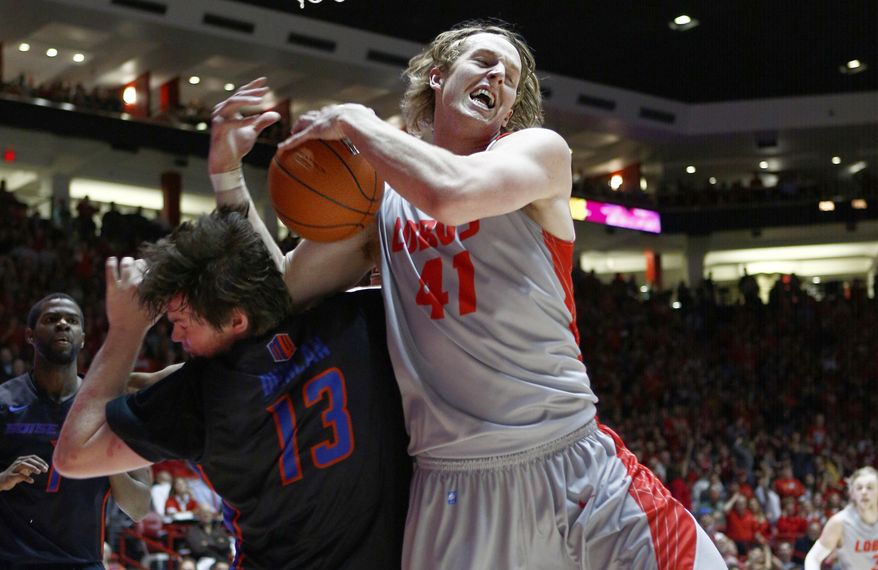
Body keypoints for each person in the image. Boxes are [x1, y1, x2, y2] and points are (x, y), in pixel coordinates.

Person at [207, 19, 724, 569]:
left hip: (572, 461)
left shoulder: (538, 152)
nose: (499, 75)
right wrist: (227, 175)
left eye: (512, 77)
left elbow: (452, 194)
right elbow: (273, 299)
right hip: (454, 488)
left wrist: (357, 121)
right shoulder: (379, 202)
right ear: (437, 75)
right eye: (483, 61)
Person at [53, 210, 411, 570]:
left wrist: (126, 330)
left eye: (182, 323)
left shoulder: (202, 395)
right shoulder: (356, 319)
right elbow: (370, 228)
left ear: (236, 320)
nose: (175, 336)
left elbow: (72, 456)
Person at [0, 293, 152, 568]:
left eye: (72, 320)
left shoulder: (113, 408)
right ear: (30, 335)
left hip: (83, 563)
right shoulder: (4, 401)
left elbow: (139, 507)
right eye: (51, 319)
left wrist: (107, 454)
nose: (62, 324)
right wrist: (2, 479)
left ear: (82, 337)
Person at [805, 466, 878, 570]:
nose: (864, 492)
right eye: (859, 488)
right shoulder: (840, 522)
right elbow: (813, 558)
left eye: (869, 487)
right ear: (852, 493)